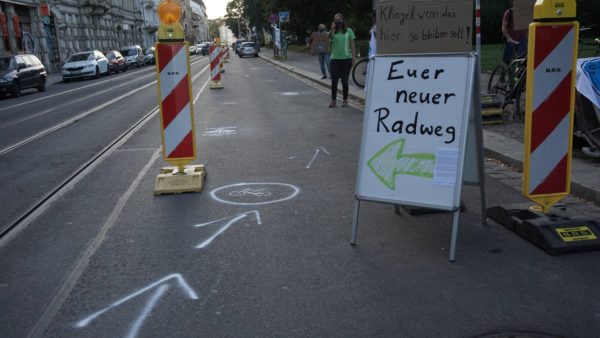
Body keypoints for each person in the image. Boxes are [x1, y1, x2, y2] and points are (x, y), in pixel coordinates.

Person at [328, 13, 356, 108]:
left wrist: (353, 59)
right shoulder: (333, 31)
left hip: (346, 59)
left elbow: (352, 45)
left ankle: (345, 100)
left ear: (343, 20)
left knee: (344, 81)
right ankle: (333, 100)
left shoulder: (349, 31)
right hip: (335, 59)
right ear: (334, 21)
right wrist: (332, 28)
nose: (338, 21)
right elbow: (328, 37)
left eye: (339, 19)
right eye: (336, 19)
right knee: (334, 81)